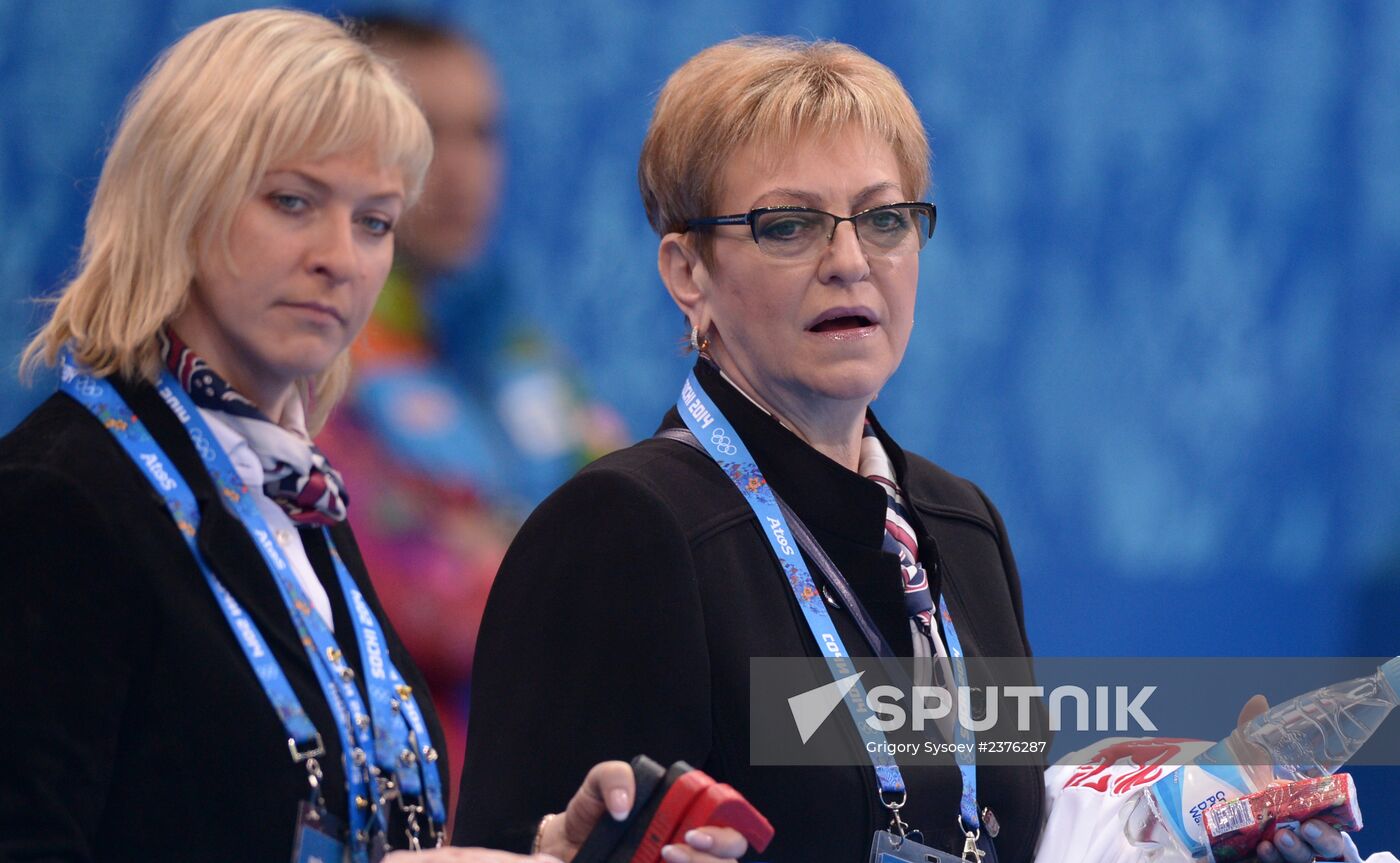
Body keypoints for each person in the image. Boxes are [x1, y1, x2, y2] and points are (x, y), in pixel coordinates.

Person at [454, 36, 1370, 863]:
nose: (850, 258)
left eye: (883, 219)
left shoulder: (957, 526)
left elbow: (991, 827)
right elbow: (516, 847)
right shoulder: (625, 529)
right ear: (688, 272)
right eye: (789, 224)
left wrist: (1179, 825)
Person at [0, 11, 743, 863]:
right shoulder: (54, 499)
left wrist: (544, 856)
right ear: (180, 196)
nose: (340, 257)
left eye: (376, 221)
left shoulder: (297, 495)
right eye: (292, 201)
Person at [315, 15, 628, 792]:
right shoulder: (316, 365)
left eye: (482, 135)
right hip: (414, 804)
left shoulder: (518, 353)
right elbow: (432, 598)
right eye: (424, 132)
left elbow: (643, 525)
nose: (457, 170)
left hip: (562, 794)